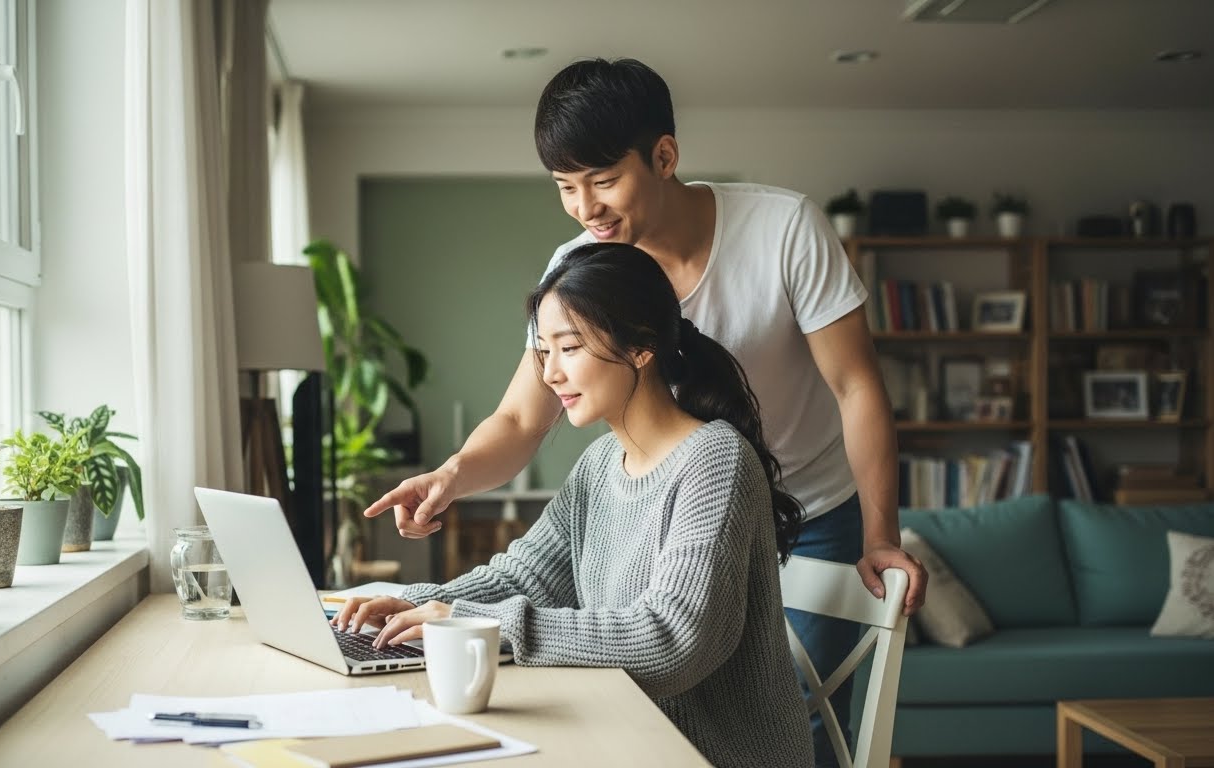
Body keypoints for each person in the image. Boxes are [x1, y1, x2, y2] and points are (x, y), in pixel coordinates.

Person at [363, 57, 927, 764]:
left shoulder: (783, 228)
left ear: (663, 157)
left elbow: (855, 387)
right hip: (677, 493)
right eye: (565, 187)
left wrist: (880, 532)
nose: (584, 207)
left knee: (793, 709)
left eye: (602, 180)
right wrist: (443, 499)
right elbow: (517, 421)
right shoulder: (584, 282)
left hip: (810, 504)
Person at [336, 243, 815, 766]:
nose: (550, 375)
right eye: (544, 352)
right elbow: (523, 577)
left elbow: (671, 642)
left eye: (569, 348)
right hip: (624, 736)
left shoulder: (715, 462)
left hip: (709, 755)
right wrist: (419, 603)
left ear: (640, 347)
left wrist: (467, 619)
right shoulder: (601, 463)